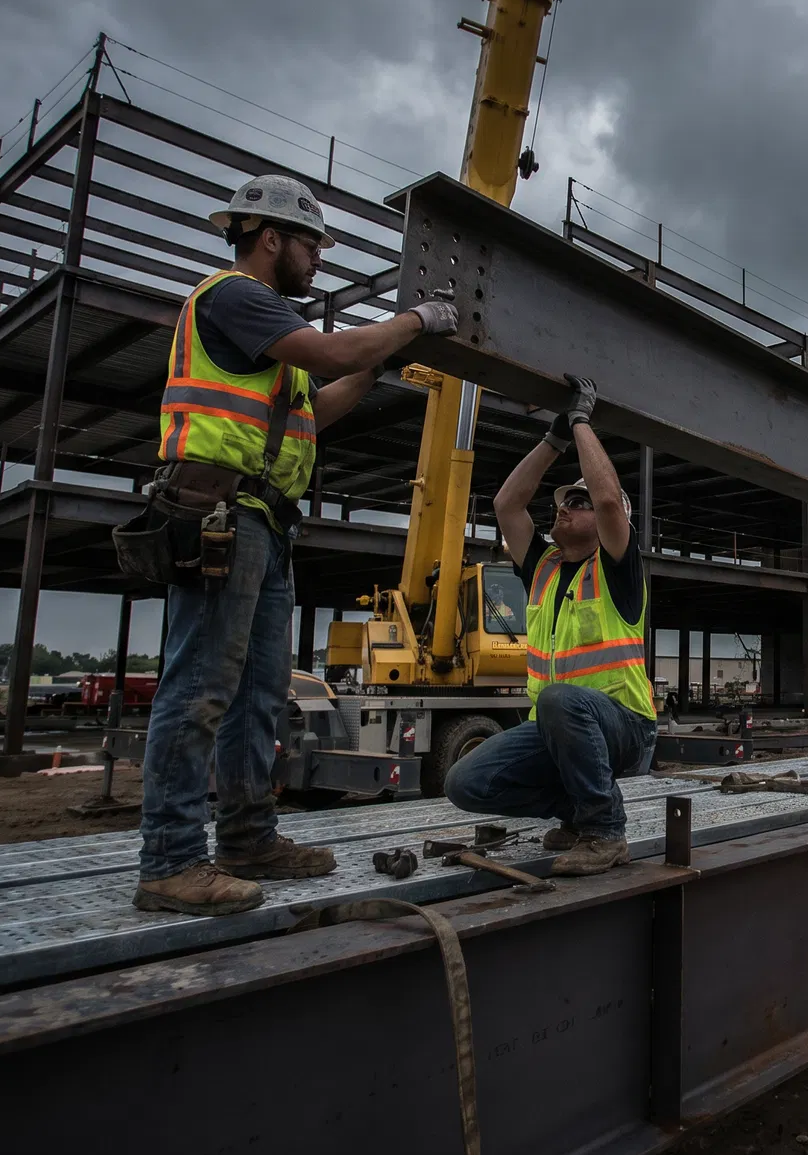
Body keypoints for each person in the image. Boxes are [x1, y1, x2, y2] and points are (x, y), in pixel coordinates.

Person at [134, 175, 460, 916]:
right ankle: (169, 862)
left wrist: (377, 362)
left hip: (264, 522)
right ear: (271, 238)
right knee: (200, 690)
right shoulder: (236, 297)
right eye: (312, 245)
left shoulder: (269, 341)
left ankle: (248, 840)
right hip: (221, 512)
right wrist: (414, 320)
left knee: (257, 696)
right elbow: (331, 356)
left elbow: (319, 406)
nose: (318, 259)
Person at [445, 374, 657, 876]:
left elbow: (609, 501)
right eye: (563, 502)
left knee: (559, 699)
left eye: (578, 503)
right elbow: (506, 505)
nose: (565, 507)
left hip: (625, 728)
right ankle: (578, 812)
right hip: (560, 729)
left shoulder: (616, 568)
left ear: (607, 521)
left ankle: (605, 831)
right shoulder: (542, 567)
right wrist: (554, 437)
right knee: (464, 782)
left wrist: (581, 420)